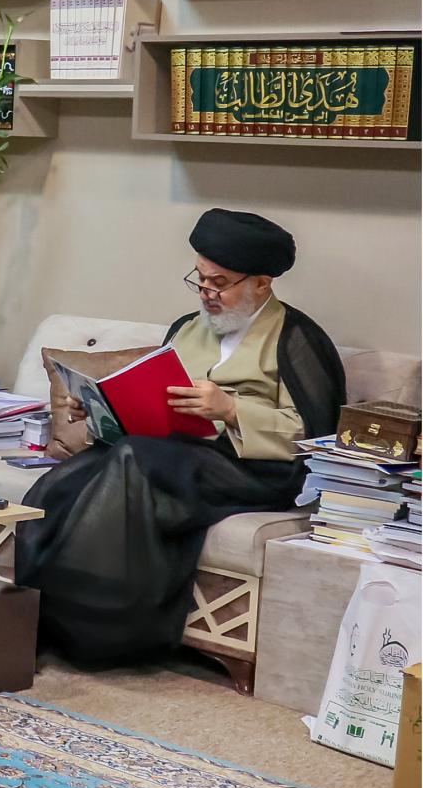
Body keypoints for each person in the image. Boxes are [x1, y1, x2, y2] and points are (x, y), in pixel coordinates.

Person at [19, 209, 345, 667]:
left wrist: (231, 409)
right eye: (200, 279)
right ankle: (30, 620)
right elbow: (152, 400)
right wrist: (98, 407)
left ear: (261, 284)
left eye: (220, 282)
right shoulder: (188, 328)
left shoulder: (298, 340)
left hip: (255, 469)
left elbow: (316, 437)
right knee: (66, 480)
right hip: (174, 451)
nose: (207, 292)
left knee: (133, 460)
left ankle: (96, 636)